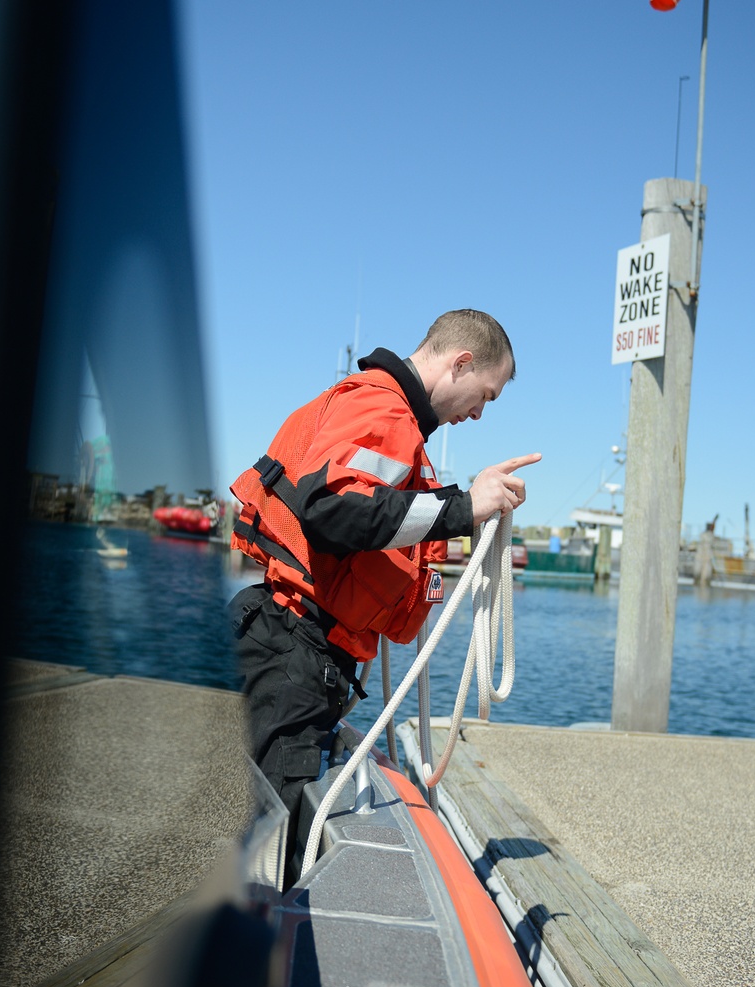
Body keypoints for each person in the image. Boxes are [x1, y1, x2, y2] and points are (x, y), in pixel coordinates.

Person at [227, 308, 540, 849]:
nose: (479, 414)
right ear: (460, 364)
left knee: (269, 825)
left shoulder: (384, 412)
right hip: (293, 651)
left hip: (295, 645)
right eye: (485, 396)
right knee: (265, 841)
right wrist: (464, 509)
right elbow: (330, 511)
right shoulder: (385, 411)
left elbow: (360, 508)